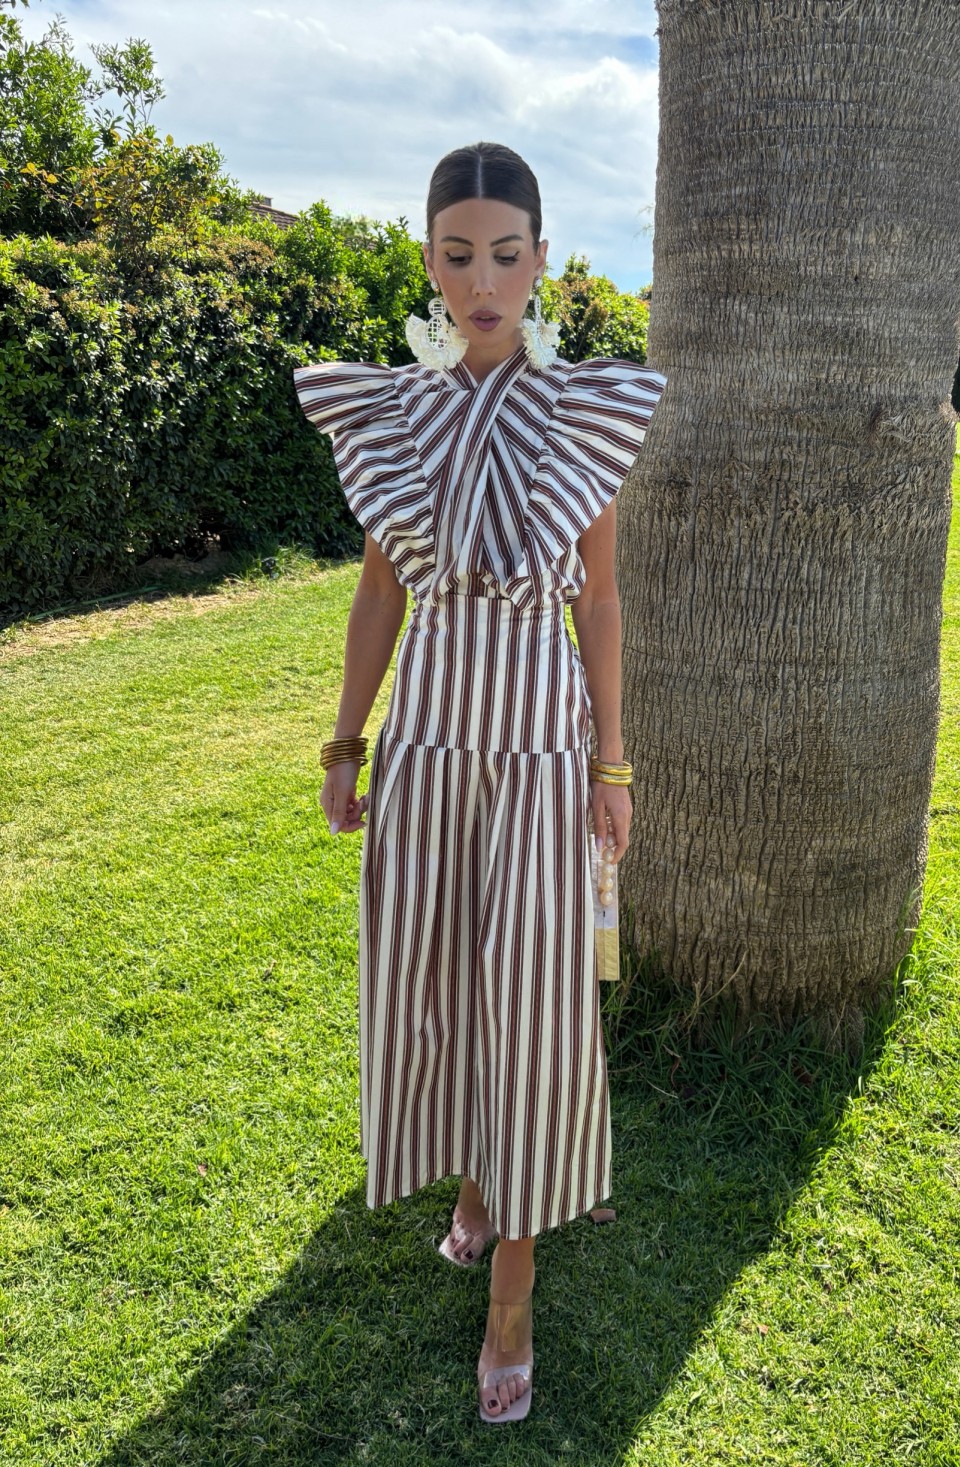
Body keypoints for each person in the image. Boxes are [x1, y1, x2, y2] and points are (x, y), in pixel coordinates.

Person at [293, 140, 666, 1425]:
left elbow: (599, 601)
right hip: (428, 747)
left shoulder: (582, 416)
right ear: (430, 263)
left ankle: (514, 1285)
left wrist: (611, 763)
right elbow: (378, 592)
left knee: (535, 1003)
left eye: (506, 255)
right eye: (458, 257)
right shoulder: (394, 416)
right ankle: (472, 1177)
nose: (483, 282)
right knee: (441, 985)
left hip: (541, 752)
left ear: (541, 261)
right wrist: (346, 742)